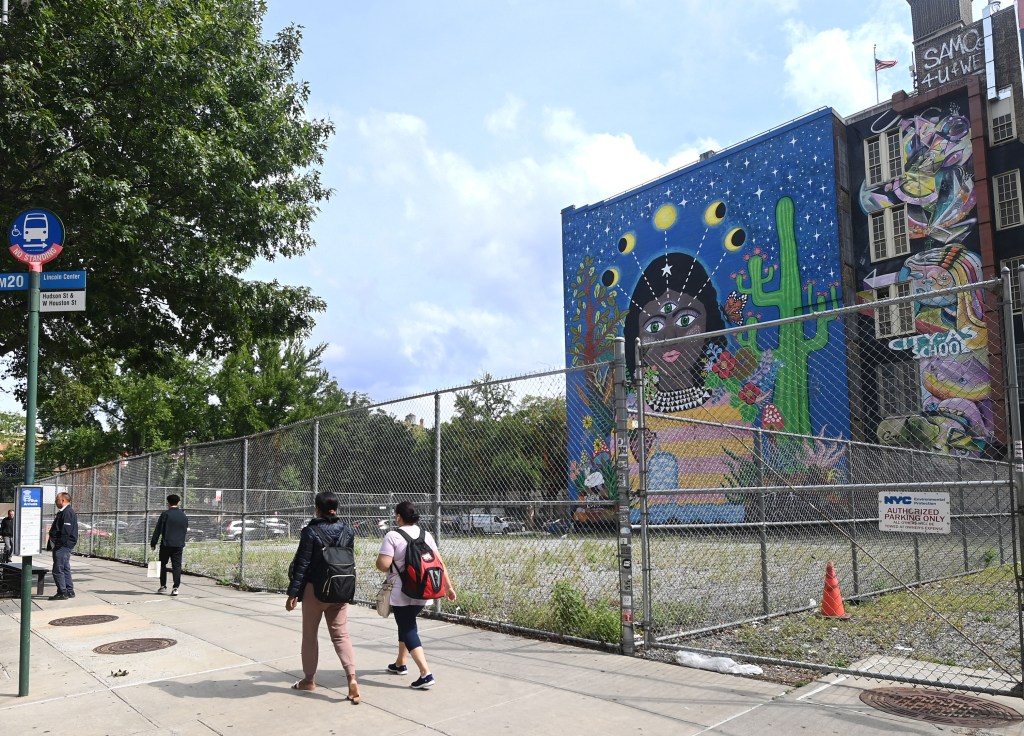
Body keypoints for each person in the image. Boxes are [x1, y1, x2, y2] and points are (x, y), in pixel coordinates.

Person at [285, 491, 361, 704]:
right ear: (336, 508)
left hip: (315, 591)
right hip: (339, 588)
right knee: (341, 635)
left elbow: (302, 564)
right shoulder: (347, 529)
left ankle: (309, 680)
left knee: (310, 636)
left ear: (317, 508)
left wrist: (293, 593)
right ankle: (351, 679)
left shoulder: (310, 531)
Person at [375, 501, 457, 690]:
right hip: (423, 590)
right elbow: (439, 562)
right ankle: (400, 664)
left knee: (409, 629)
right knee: (405, 624)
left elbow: (383, 565)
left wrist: (382, 560)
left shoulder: (393, 535)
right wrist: (449, 587)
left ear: (398, 517)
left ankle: (425, 674)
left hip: (401, 592)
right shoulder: (426, 534)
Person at [150, 494, 189, 596]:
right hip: (178, 544)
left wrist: (153, 542)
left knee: (163, 564)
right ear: (179, 502)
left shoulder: (165, 514)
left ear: (168, 502)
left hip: (166, 544)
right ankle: (175, 587)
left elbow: (158, 530)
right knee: (176, 566)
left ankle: (163, 586)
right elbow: (184, 530)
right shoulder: (183, 516)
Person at [47, 491, 78, 600]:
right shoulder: (64, 512)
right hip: (64, 546)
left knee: (58, 569)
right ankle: (69, 591)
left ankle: (62, 592)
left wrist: (58, 544)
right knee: (64, 568)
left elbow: (66, 530)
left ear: (63, 500)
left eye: (57, 500)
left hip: (63, 546)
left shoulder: (67, 512)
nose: (56, 502)